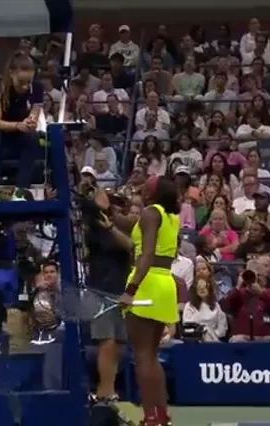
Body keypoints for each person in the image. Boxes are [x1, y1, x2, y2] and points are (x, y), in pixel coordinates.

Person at [119, 176, 180, 426]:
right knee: (152, 355)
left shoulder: (149, 213)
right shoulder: (169, 216)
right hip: (166, 282)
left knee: (142, 355)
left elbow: (146, 255)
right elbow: (128, 226)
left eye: (148, 185)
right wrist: (108, 212)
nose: (144, 187)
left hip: (147, 283)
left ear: (154, 192)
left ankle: (150, 417)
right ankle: (162, 414)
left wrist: (131, 290)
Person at [85, 191, 133, 403]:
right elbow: (84, 207)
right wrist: (96, 202)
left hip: (120, 292)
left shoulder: (122, 228)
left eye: (118, 205)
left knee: (119, 344)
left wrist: (111, 225)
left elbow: (130, 246)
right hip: (99, 290)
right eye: (112, 205)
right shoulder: (94, 229)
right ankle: (104, 392)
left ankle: (109, 388)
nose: (114, 208)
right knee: (107, 341)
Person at [0, 51, 45, 202]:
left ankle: (21, 190)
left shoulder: (37, 88)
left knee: (33, 137)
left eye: (28, 82)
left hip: (20, 134)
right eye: (21, 82)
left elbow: (35, 113)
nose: (25, 87)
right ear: (11, 73)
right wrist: (17, 125)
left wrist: (31, 122)